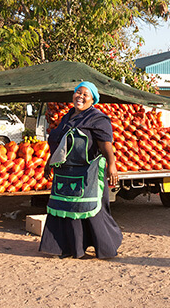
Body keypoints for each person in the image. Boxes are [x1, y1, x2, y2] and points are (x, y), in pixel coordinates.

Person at [39, 81, 122, 259]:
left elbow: (105, 144)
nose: (80, 97)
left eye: (85, 94)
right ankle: (71, 248)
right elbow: (59, 144)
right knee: (66, 208)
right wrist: (49, 162)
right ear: (73, 95)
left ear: (93, 99)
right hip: (65, 172)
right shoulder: (67, 117)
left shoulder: (98, 118)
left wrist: (112, 165)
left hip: (89, 172)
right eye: (78, 93)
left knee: (91, 211)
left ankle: (106, 246)